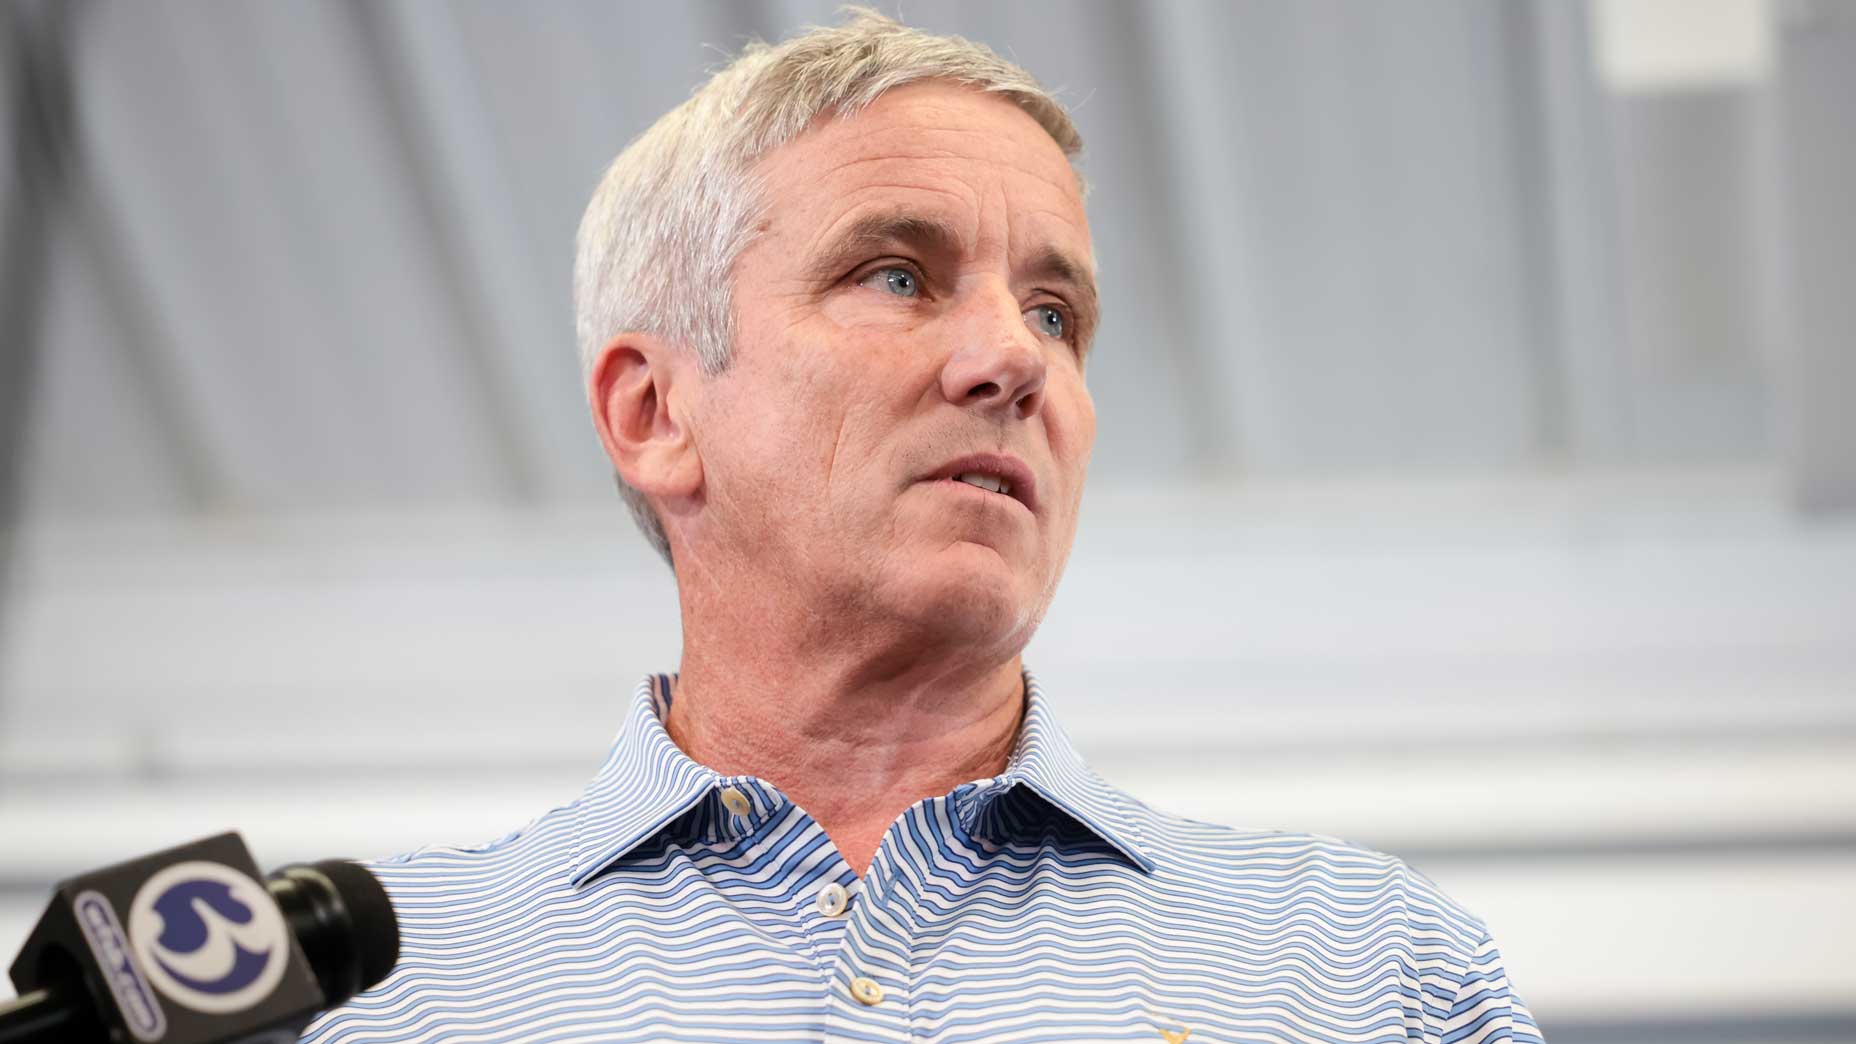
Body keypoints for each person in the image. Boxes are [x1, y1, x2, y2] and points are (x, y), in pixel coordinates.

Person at [306, 11, 1542, 1043]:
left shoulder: (1366, 976)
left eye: (1056, 314)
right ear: (652, 412)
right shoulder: (376, 999)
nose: (1016, 358)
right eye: (896, 276)